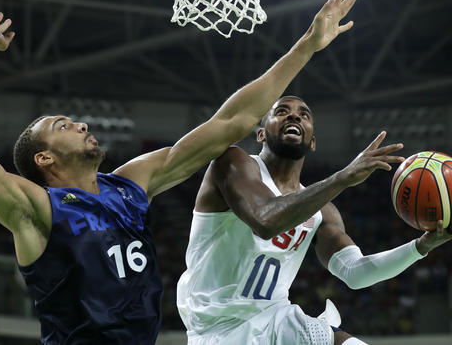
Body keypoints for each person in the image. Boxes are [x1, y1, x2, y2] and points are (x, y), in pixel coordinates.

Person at [0, 0, 359, 345]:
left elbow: (232, 122)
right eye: (64, 125)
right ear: (44, 157)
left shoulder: (129, 186)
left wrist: (307, 45)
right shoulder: (33, 208)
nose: (81, 123)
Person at [176, 95, 452, 345]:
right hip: (217, 329)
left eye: (303, 114)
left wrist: (420, 247)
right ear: (261, 133)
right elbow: (265, 220)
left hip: (277, 320)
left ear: (313, 141)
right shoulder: (233, 163)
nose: (294, 116)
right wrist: (342, 177)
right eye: (282, 111)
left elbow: (356, 273)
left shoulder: (323, 210)